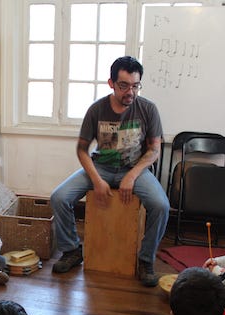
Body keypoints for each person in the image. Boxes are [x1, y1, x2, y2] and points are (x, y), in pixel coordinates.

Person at [50, 56, 169, 286]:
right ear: (111, 83)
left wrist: (132, 175)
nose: (130, 92)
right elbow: (82, 150)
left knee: (161, 205)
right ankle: (72, 250)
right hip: (101, 167)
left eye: (135, 86)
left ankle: (145, 260)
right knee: (59, 197)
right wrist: (96, 179)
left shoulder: (148, 109)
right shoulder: (97, 110)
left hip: (136, 169)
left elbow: (154, 149)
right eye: (124, 85)